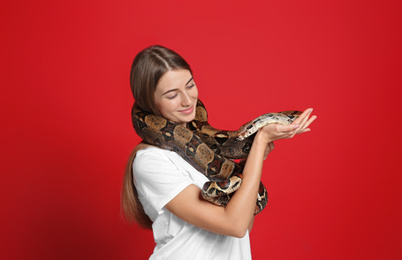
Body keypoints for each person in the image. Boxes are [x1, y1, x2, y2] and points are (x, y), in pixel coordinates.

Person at [121, 45, 317, 259]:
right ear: (150, 103)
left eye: (190, 85)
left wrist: (254, 159)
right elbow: (234, 225)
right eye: (172, 95)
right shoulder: (151, 161)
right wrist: (260, 140)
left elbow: (242, 225)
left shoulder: (207, 155)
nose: (188, 101)